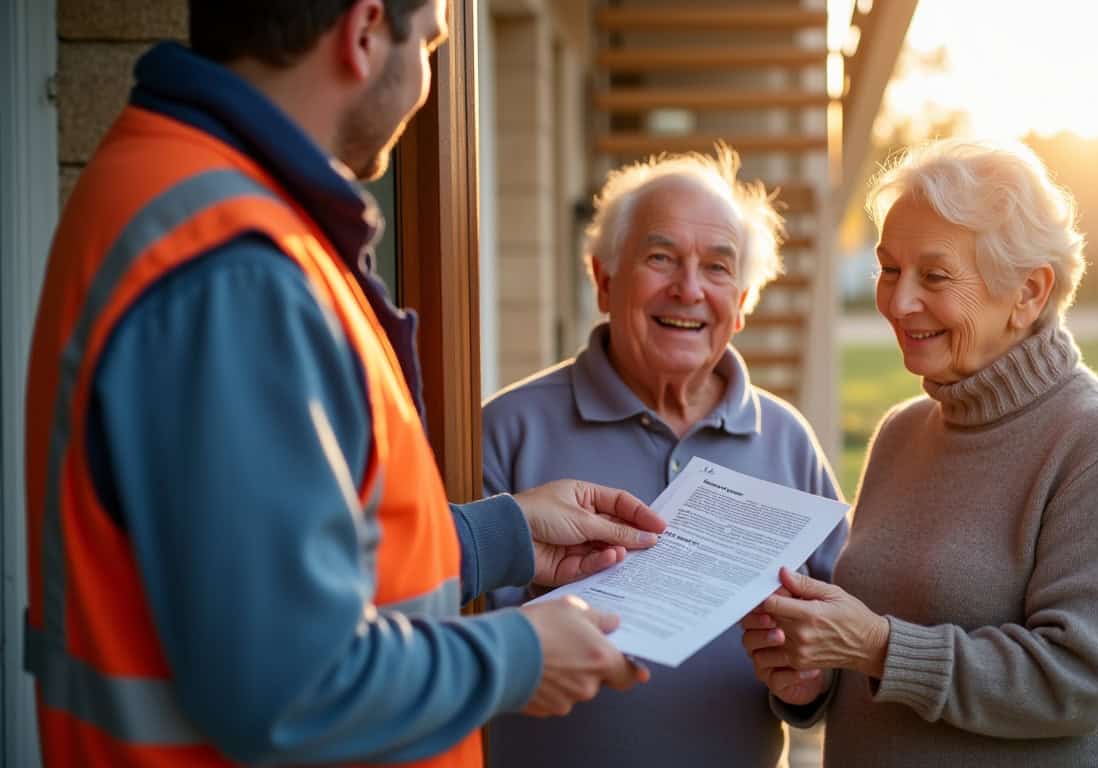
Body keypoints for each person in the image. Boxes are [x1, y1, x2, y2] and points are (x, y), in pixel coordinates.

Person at [22, 2, 666, 766]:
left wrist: (499, 537)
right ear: (363, 34)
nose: (427, 78)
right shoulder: (237, 272)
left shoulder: (181, 191)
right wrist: (521, 655)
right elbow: (291, 686)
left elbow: (279, 551)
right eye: (430, 45)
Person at [742, 138, 1098, 767]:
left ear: (1029, 291)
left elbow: (1079, 680)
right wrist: (812, 680)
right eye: (889, 268)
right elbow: (875, 660)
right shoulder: (901, 433)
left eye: (934, 275)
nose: (897, 301)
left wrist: (876, 647)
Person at [481, 147, 849, 768]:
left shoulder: (787, 440)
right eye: (660, 258)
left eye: (717, 266)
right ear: (603, 280)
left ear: (743, 300)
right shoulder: (507, 428)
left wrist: (811, 686)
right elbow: (437, 632)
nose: (689, 289)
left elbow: (840, 644)